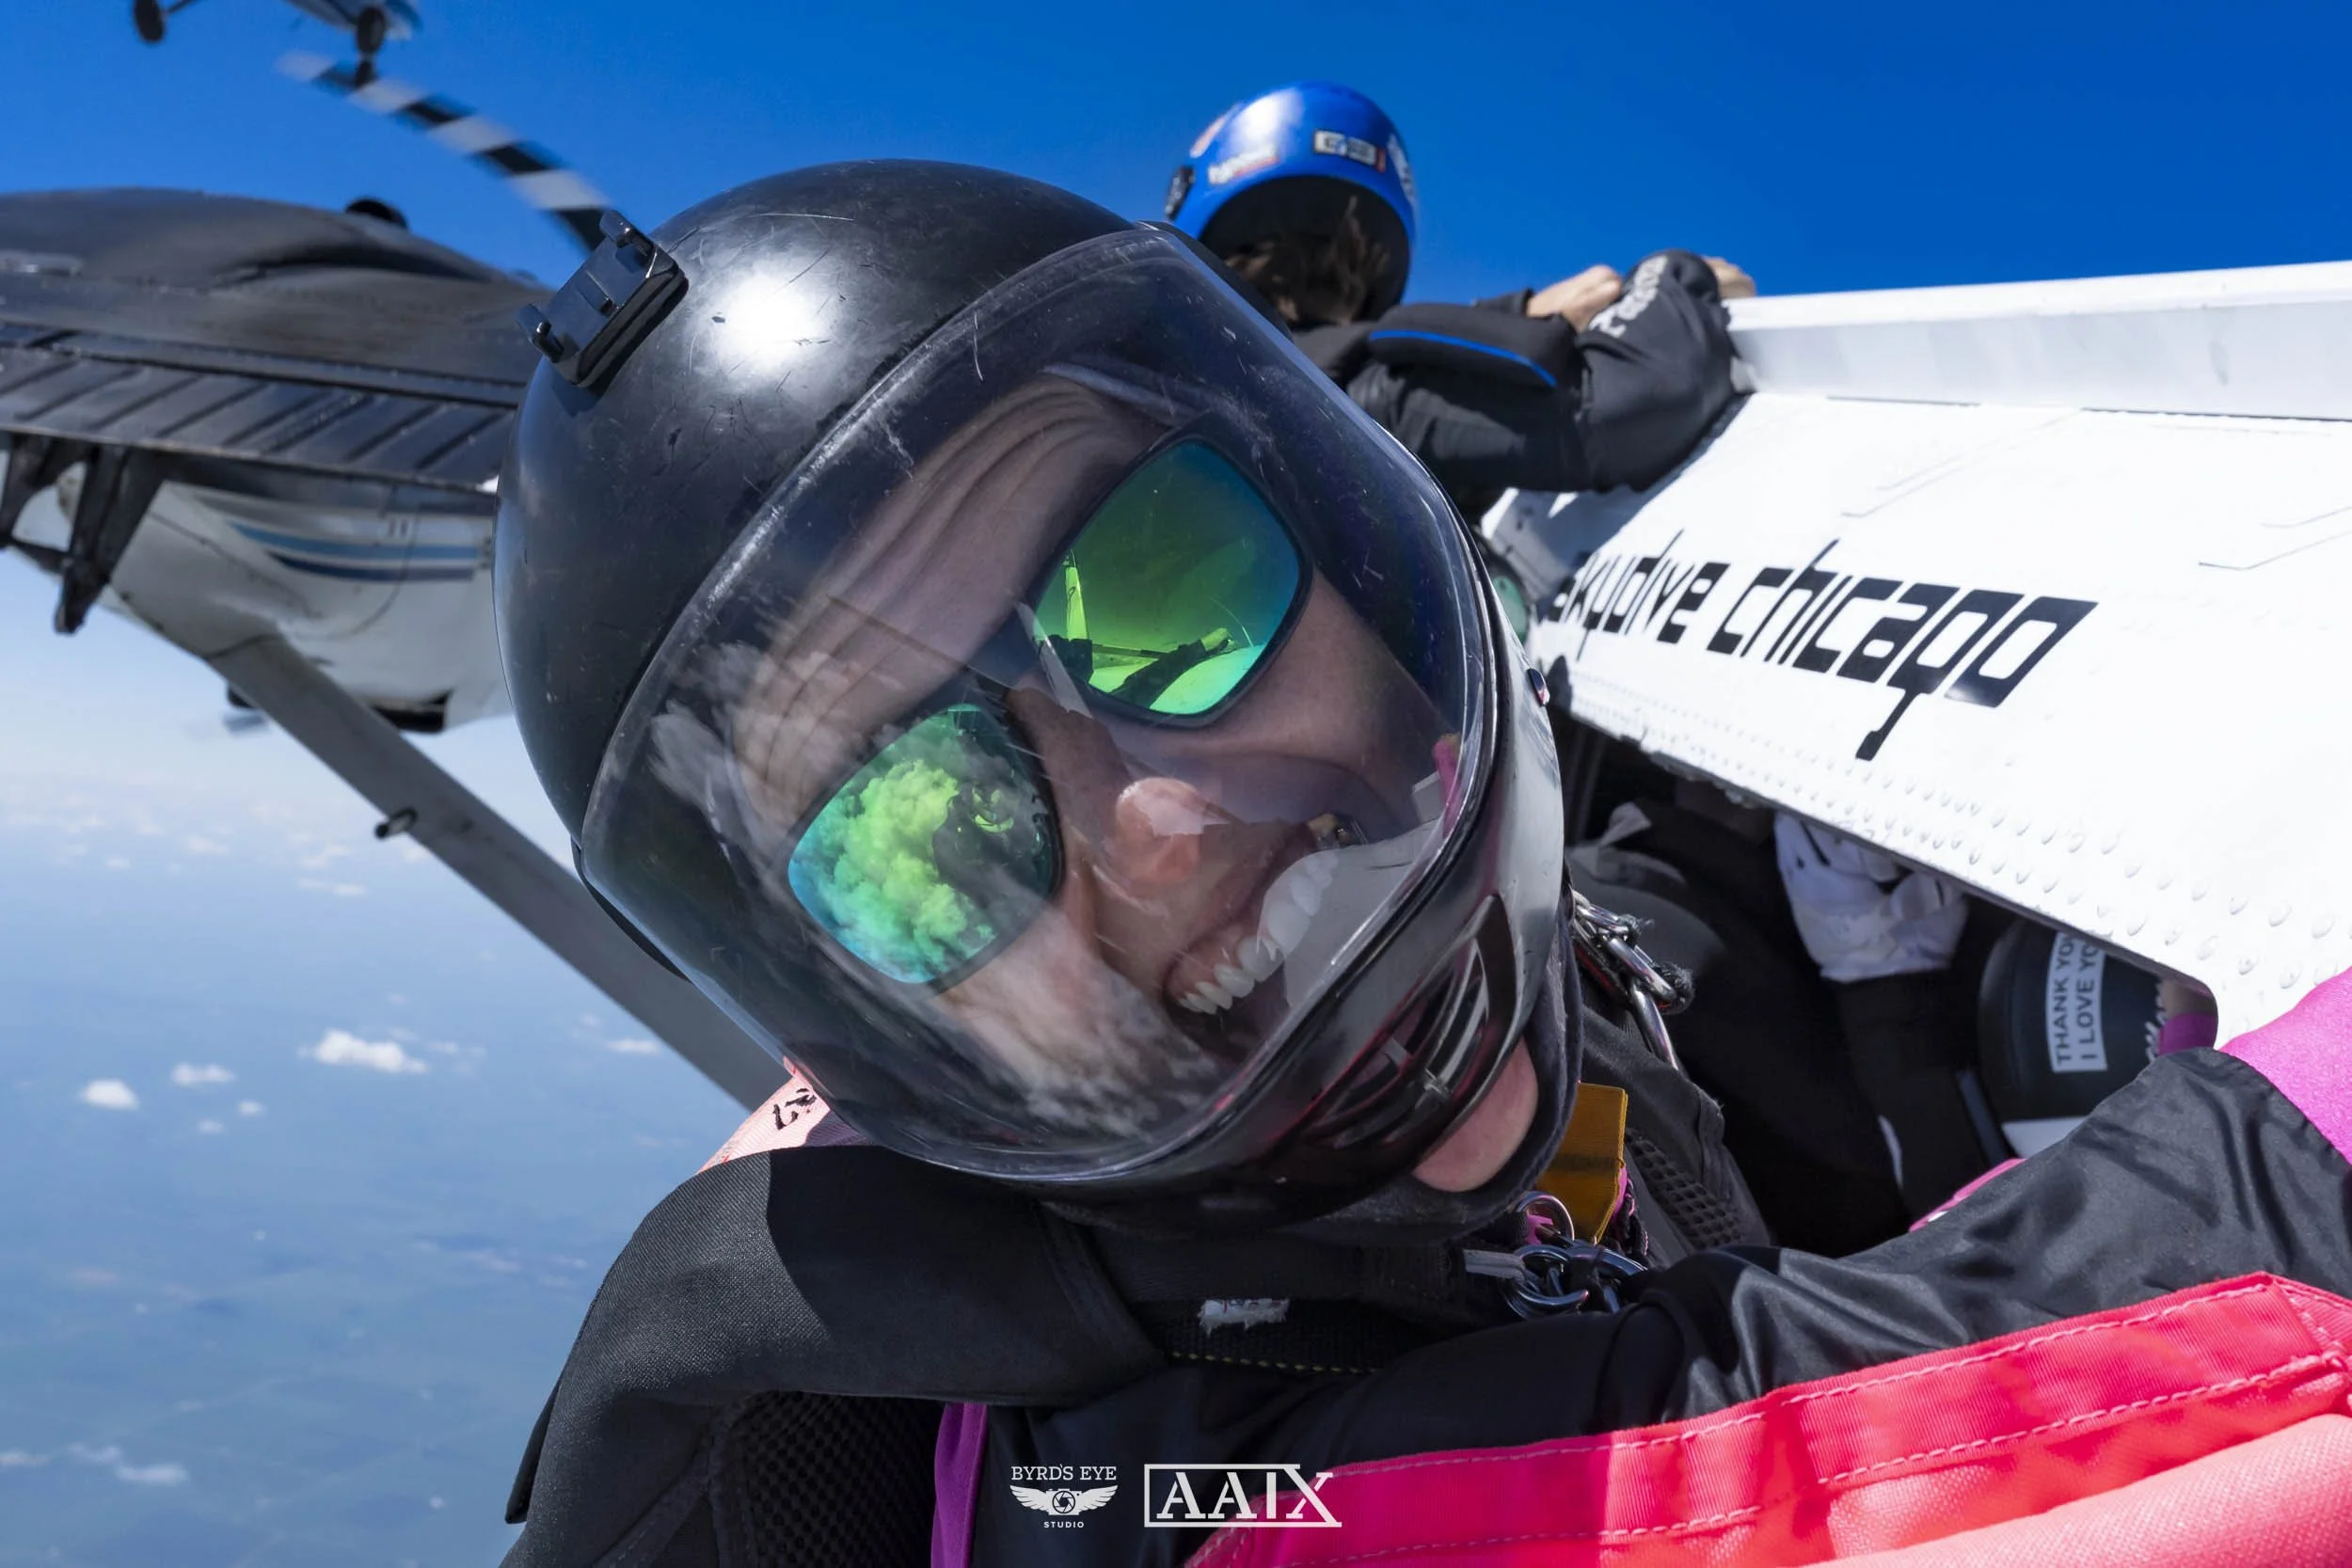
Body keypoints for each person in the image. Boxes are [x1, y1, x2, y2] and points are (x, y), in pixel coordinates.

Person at [493, 164, 2352, 1568]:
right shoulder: (1239, 1503)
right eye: (921, 838)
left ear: (1342, 541)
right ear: (867, 1011)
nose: (1157, 819)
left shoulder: (939, 1284)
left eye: (1154, 582)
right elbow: (2223, 1335)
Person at [1165, 82, 1754, 564]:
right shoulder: (1367, 397)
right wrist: (1674, 275)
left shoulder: (1209, 393)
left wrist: (1516, 319)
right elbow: (1634, 400)